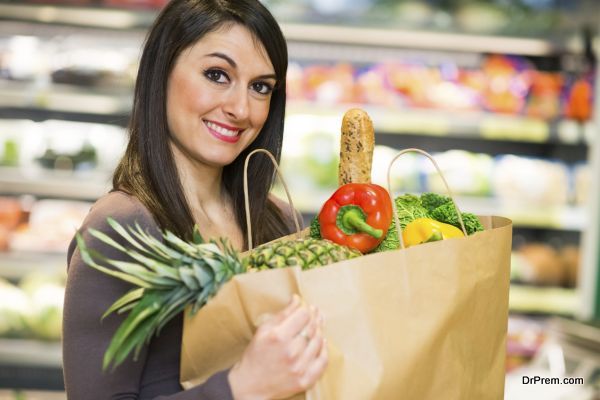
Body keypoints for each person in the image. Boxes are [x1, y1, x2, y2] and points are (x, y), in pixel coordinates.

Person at [62, 0, 328, 398]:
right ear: (161, 72)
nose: (241, 109)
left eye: (261, 87)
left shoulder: (282, 222)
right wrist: (241, 387)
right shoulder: (122, 229)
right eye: (217, 75)